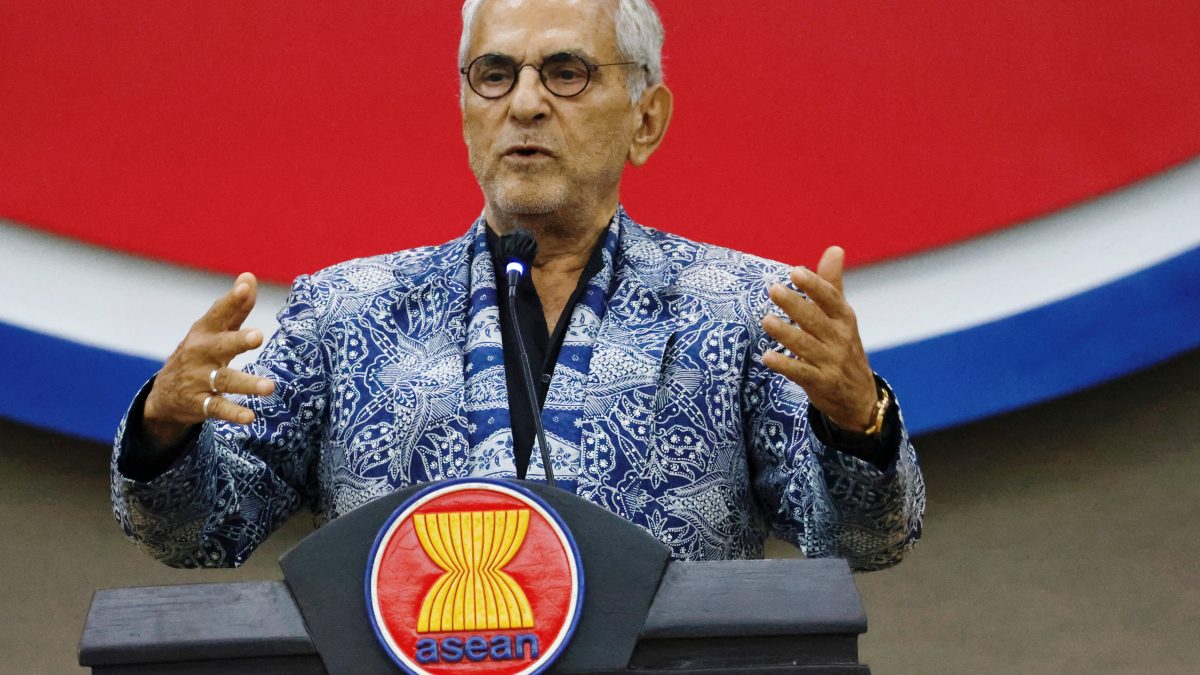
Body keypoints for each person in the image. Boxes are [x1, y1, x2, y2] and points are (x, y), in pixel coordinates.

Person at [112, 0, 924, 570]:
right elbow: (200, 533)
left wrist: (858, 422)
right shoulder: (343, 312)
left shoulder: (742, 310)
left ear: (646, 119)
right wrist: (163, 431)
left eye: (567, 72)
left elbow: (867, 541)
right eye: (494, 73)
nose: (525, 104)